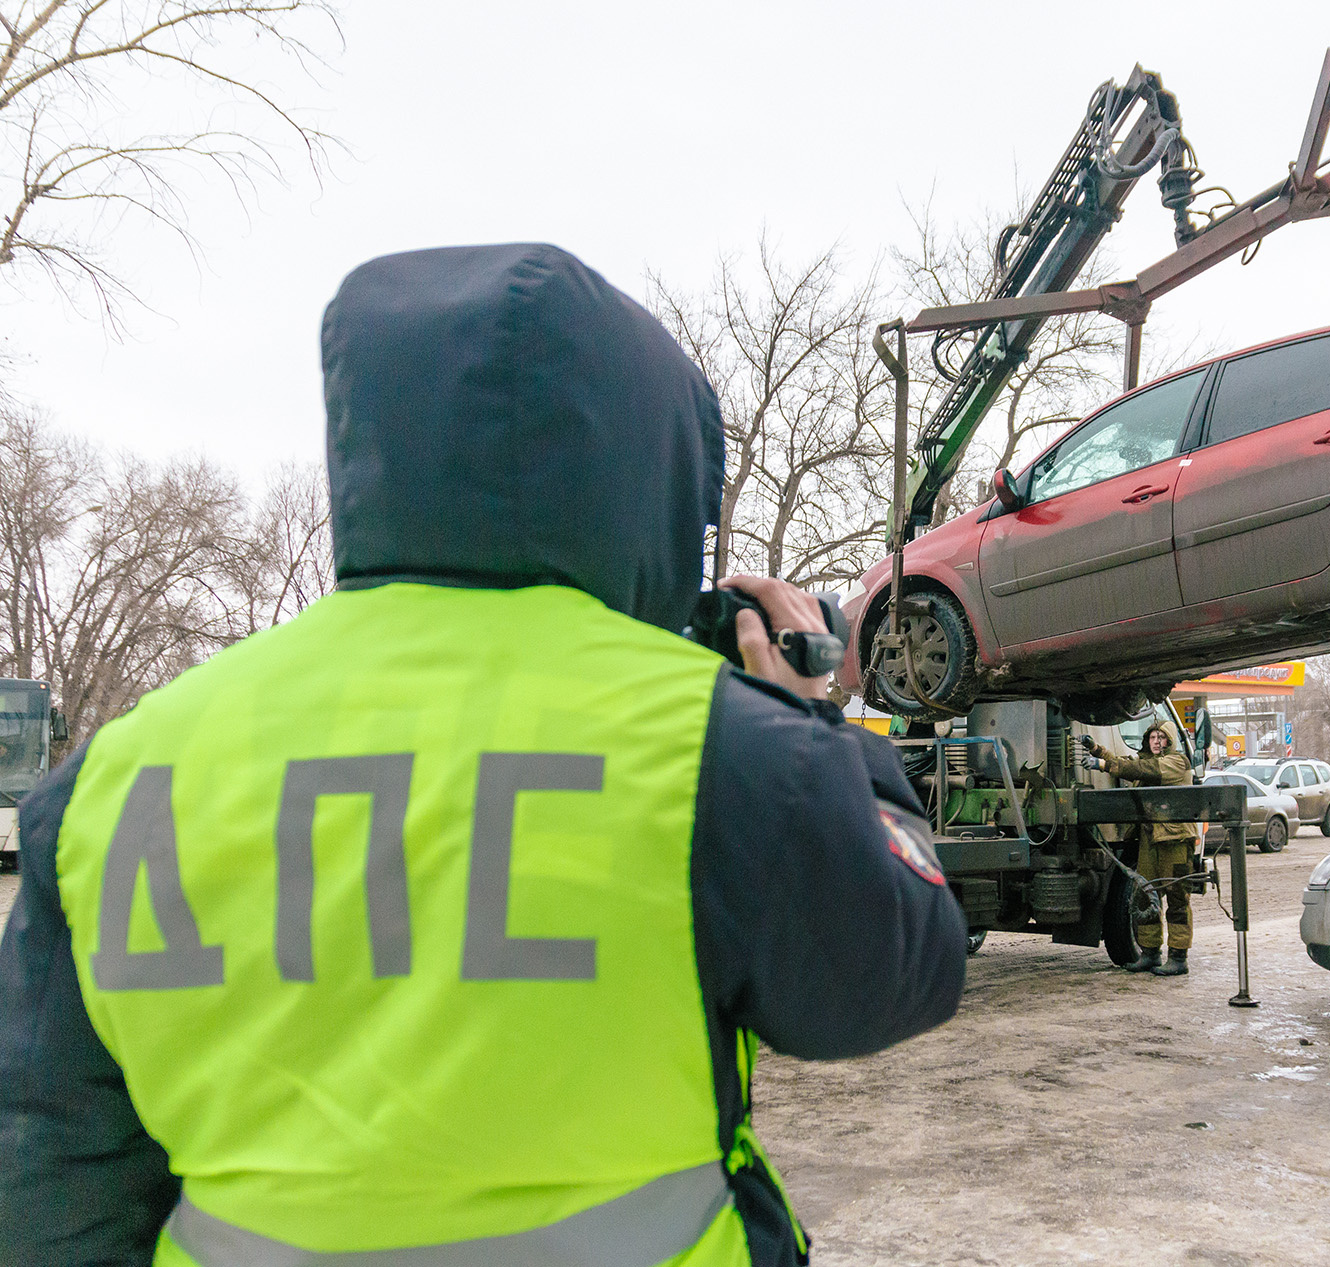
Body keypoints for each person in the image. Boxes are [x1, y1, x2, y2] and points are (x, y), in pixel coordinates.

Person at [0, 243, 968, 1266]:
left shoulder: (118, 780)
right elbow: (890, 976)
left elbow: (50, 1182)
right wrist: (814, 722)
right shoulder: (717, 751)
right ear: (649, 480)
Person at [1081, 725, 1195, 976]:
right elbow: (1126, 763)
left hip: (1175, 840)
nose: (1156, 741)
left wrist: (1102, 765)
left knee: (1177, 899)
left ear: (1170, 740)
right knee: (1144, 897)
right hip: (1150, 839)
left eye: (1161, 737)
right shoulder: (1147, 761)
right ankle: (1150, 953)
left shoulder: (1177, 762)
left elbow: (1141, 769)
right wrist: (1097, 750)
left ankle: (1178, 957)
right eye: (1152, 737)